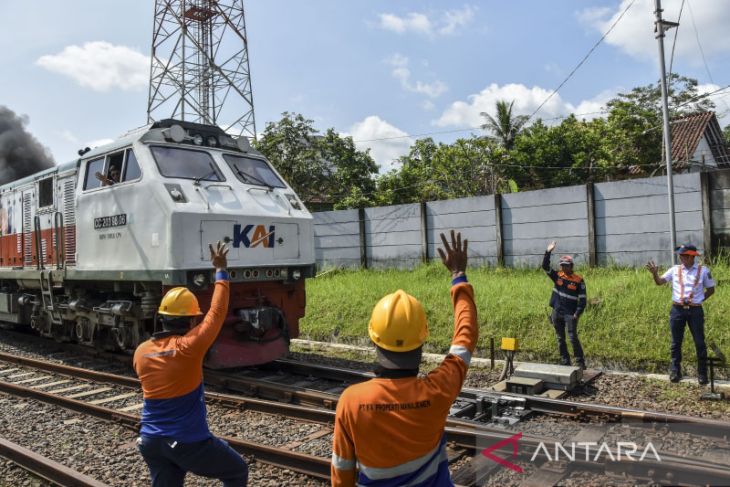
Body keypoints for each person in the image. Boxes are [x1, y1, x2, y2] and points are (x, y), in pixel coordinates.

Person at [331, 230, 477, 487]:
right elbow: (465, 337)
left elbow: (342, 469)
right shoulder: (439, 389)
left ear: (374, 338)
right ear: (422, 339)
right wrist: (458, 276)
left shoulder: (352, 401)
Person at [133, 241, 248, 486]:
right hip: (187, 442)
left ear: (161, 318)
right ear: (191, 321)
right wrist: (221, 270)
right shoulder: (189, 347)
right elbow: (217, 311)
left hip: (150, 442)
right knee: (236, 470)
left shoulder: (141, 353)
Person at [646, 244, 715, 384]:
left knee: (700, 342)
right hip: (677, 310)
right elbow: (660, 282)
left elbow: (711, 289)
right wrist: (654, 274)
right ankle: (675, 371)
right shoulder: (674, 270)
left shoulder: (703, 271)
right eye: (680, 255)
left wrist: (699, 299)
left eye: (684, 255)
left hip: (695, 311)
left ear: (692, 256)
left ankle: (702, 374)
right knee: (676, 342)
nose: (681, 257)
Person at [543, 241, 587, 369]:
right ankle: (565, 363)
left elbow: (583, 300)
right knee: (560, 339)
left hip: (570, 315)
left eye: (566, 266)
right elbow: (545, 266)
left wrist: (577, 314)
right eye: (562, 265)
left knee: (573, 339)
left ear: (571, 266)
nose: (563, 268)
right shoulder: (557, 276)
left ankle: (580, 364)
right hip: (557, 313)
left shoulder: (579, 280)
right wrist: (548, 252)